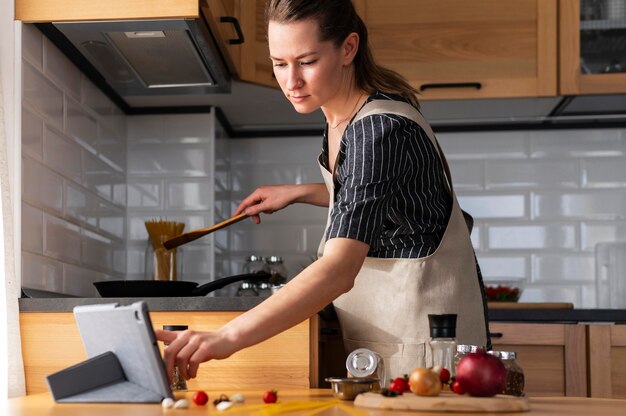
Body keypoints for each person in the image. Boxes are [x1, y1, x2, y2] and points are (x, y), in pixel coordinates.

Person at [156, 0, 490, 382]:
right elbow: (377, 196)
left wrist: (228, 336)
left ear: (348, 48)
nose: (291, 81)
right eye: (279, 63)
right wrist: (301, 192)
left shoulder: (375, 132)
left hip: (430, 349)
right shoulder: (343, 116)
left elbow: (337, 271)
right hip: (400, 340)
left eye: (307, 61)